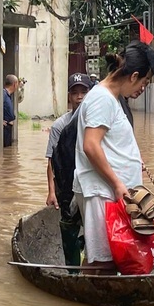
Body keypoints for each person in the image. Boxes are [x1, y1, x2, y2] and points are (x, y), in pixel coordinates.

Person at [73, 41, 154, 271]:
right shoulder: (103, 99)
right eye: (145, 82)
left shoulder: (111, 98)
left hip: (110, 193)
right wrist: (116, 183)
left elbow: (109, 143)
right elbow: (91, 146)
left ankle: (86, 296)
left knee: (106, 258)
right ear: (133, 76)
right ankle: (89, 303)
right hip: (102, 193)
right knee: (103, 262)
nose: (143, 88)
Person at [46, 73, 92, 265]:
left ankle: (90, 256)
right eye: (75, 93)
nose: (79, 97)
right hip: (66, 185)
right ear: (69, 97)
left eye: (84, 92)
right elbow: (51, 160)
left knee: (95, 227)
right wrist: (51, 192)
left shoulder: (95, 123)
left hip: (88, 182)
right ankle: (72, 269)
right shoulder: (60, 125)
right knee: (68, 225)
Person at [2, 74, 18, 147]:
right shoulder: (3, 94)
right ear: (14, 84)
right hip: (4, 128)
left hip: (8, 128)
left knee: (7, 152)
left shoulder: (7, 95)